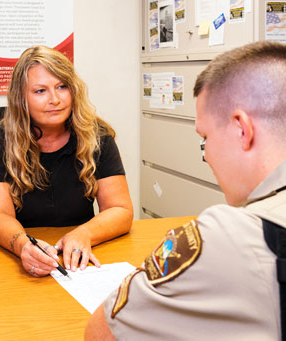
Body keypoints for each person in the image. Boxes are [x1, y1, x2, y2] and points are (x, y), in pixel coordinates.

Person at [85, 40, 286, 340]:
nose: (206, 156)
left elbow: (102, 332)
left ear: (241, 130)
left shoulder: (230, 236)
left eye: (205, 137)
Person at [0, 46, 133, 277]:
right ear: (21, 98)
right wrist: (24, 246)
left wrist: (84, 234)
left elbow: (120, 209)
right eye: (40, 91)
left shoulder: (97, 136)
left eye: (62, 87)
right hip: (22, 255)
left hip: (80, 258)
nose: (55, 99)